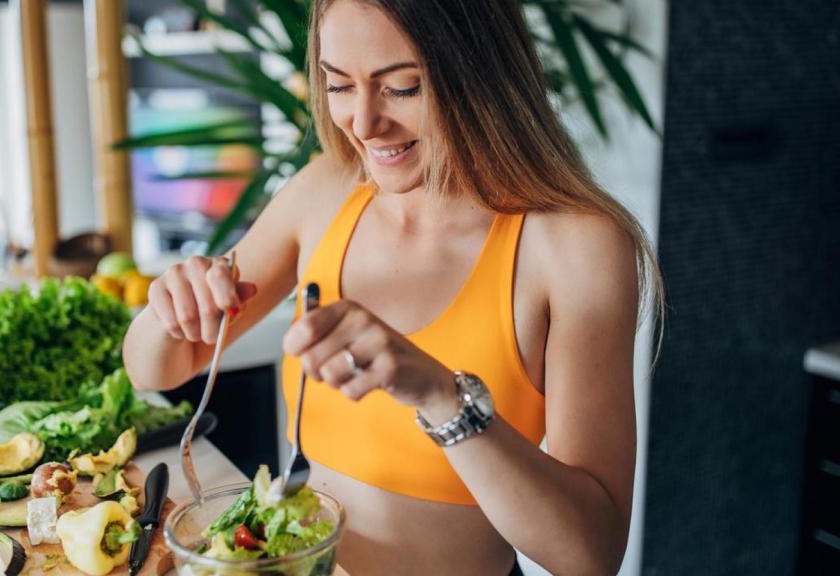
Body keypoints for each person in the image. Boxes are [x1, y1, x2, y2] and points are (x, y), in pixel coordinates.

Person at [124, 0, 663, 574]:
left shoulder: (575, 247)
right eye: (337, 85)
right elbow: (154, 369)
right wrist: (174, 304)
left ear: (482, 72)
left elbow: (591, 554)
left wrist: (441, 396)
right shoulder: (325, 192)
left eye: (403, 88)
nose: (362, 122)